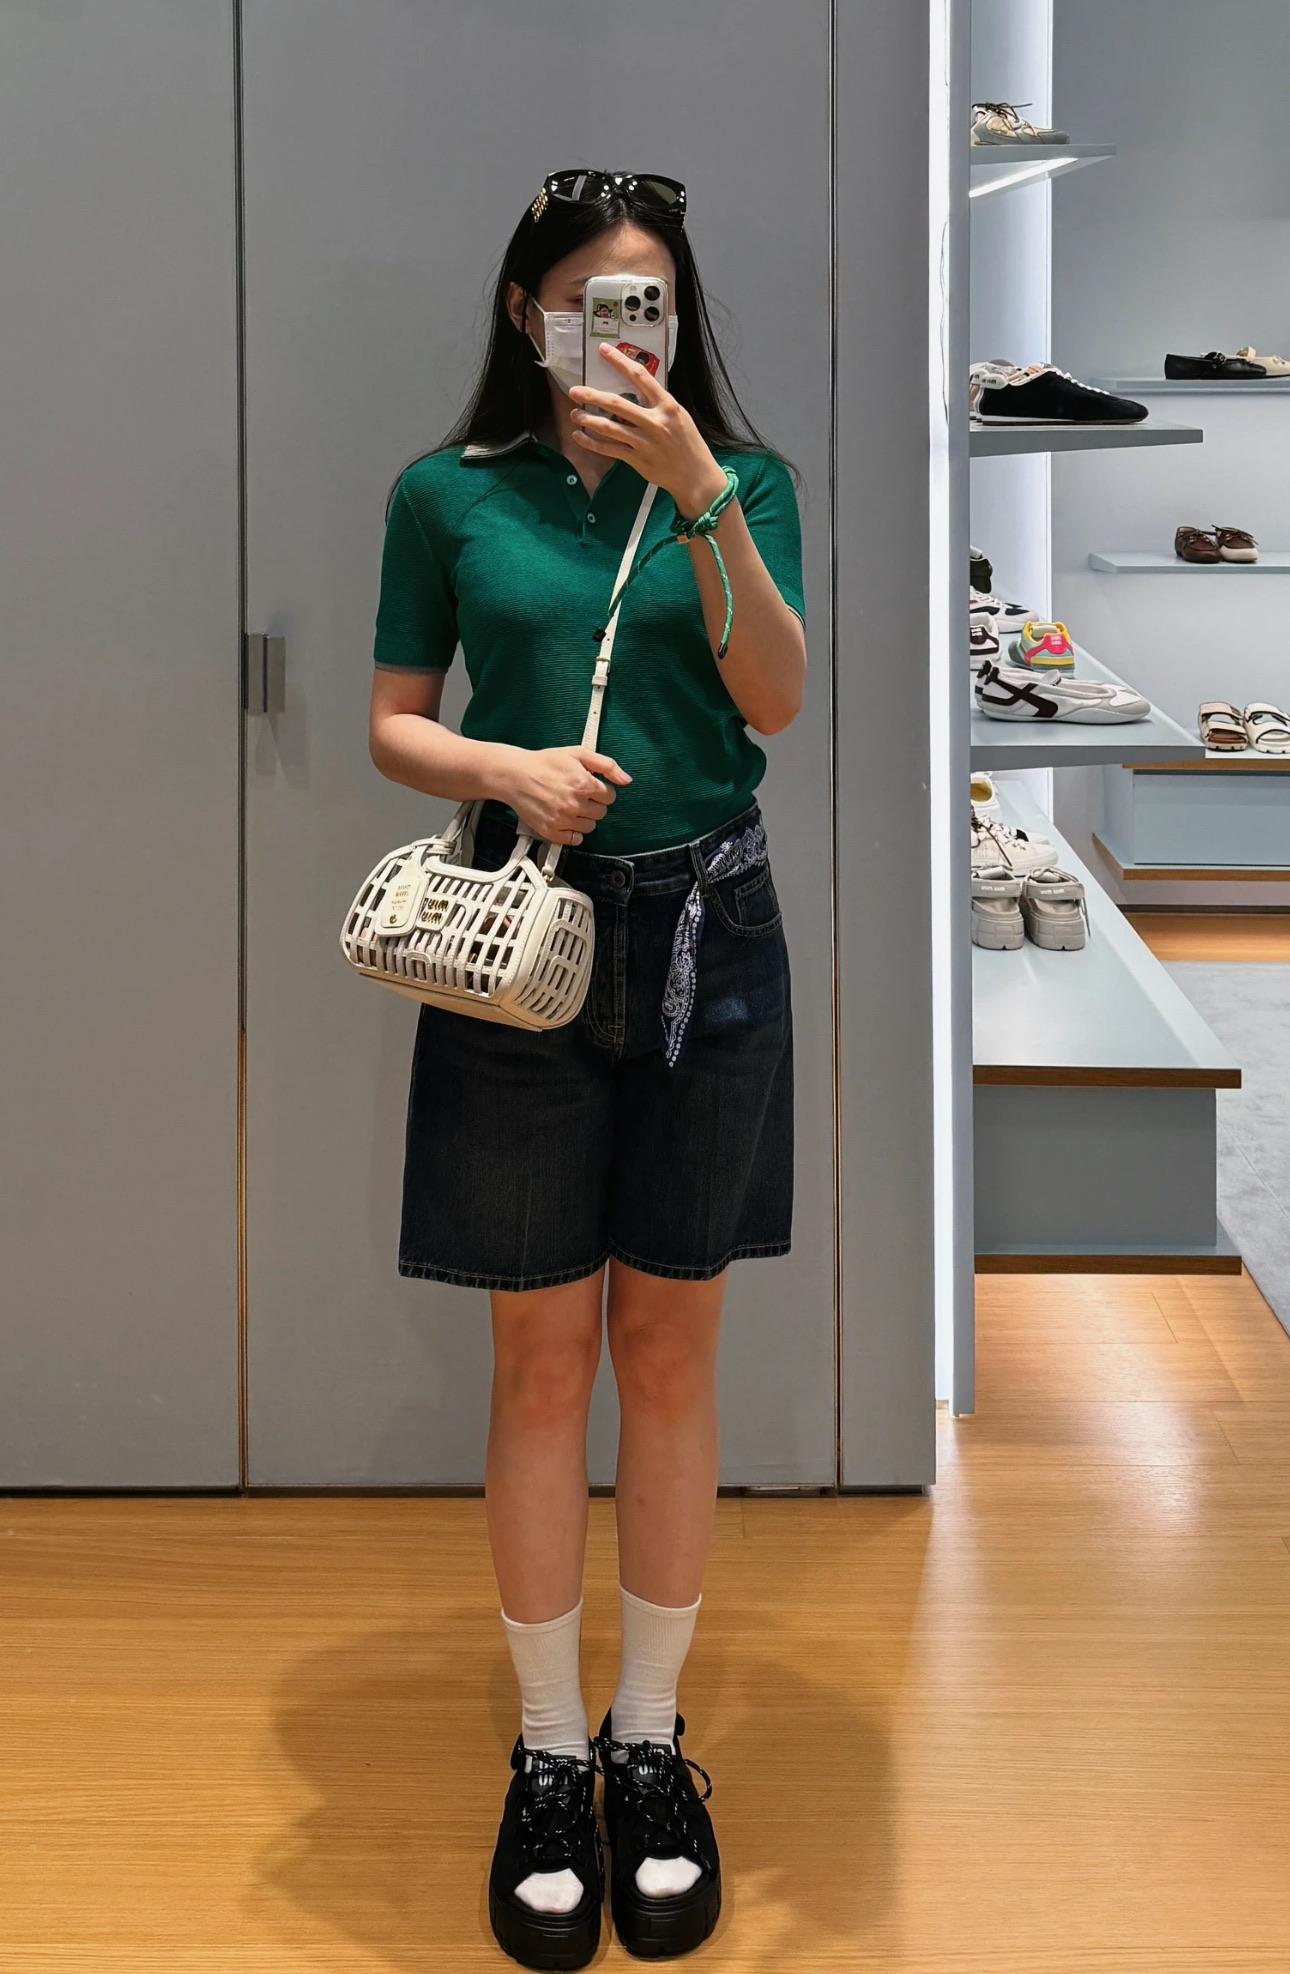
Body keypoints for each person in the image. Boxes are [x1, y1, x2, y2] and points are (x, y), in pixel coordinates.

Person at [368, 168, 805, 1967]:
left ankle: (647, 1735)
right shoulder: (447, 494)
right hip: (521, 948)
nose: (630, 335)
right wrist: (505, 768)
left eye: (655, 307)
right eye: (595, 305)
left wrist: (705, 500)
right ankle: (551, 1753)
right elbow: (397, 722)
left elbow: (774, 700)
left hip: (710, 935)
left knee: (671, 1350)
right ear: (524, 312)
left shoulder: (742, 478)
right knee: (541, 1360)